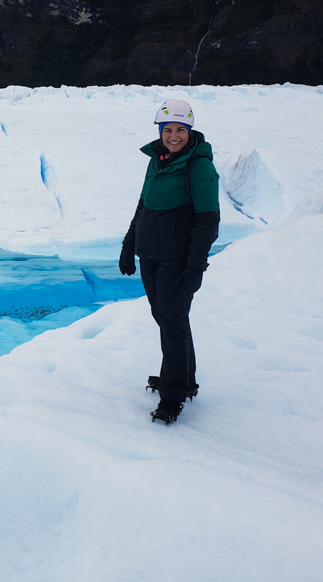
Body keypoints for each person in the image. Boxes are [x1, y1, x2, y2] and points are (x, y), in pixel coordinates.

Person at [119, 99, 220, 425]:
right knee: (167, 320)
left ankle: (173, 396)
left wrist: (195, 267)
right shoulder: (157, 160)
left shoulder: (199, 166)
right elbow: (143, 205)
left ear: (189, 131)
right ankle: (184, 381)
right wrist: (128, 244)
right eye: (167, 130)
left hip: (176, 260)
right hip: (150, 256)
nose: (173, 136)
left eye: (180, 129)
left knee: (173, 325)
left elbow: (208, 220)